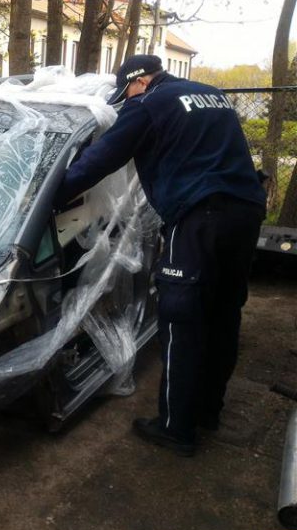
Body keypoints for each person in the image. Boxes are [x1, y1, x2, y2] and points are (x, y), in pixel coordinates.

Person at [55, 54, 266, 456]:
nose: (127, 99)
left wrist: (50, 196)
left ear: (139, 82)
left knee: (182, 318)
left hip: (200, 217)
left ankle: (176, 428)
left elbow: (99, 161)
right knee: (223, 313)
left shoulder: (147, 105)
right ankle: (208, 412)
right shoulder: (211, 95)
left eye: (127, 92)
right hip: (246, 213)